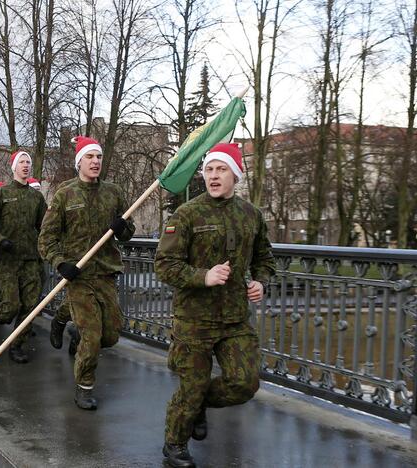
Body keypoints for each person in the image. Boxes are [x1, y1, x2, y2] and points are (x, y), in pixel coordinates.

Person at [154, 143, 275, 468]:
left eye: (221, 169)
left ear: (235, 174)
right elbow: (164, 265)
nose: (213, 175)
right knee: (191, 386)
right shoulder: (187, 214)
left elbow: (265, 258)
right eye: (209, 169)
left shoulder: (251, 214)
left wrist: (261, 282)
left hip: (235, 319)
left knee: (244, 383)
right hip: (194, 319)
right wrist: (203, 276)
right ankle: (174, 445)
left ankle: (197, 405)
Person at [38, 135, 136, 410]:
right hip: (78, 276)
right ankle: (84, 386)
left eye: (99, 157)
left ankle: (74, 333)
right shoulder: (64, 194)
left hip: (105, 273)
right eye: (90, 157)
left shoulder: (113, 192)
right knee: (93, 337)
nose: (95, 162)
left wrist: (122, 228)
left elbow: (129, 231)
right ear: (78, 162)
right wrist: (60, 263)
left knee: (111, 335)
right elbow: (46, 239)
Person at [0, 151, 47, 363]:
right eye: (22, 162)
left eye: (28, 162)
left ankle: (17, 346)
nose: (26, 166)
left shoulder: (36, 197)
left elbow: (45, 226)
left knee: (30, 308)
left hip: (30, 260)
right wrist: (0, 239)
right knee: (10, 305)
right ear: (14, 167)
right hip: (7, 260)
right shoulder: (3, 194)